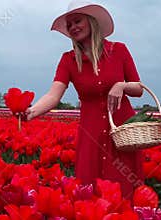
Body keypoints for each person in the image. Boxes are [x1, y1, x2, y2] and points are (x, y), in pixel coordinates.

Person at [25, 0, 144, 199]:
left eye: (77, 21)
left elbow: (138, 88)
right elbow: (54, 95)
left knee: (125, 193)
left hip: (122, 134)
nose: (73, 27)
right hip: (91, 135)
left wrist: (121, 86)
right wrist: (31, 112)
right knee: (90, 194)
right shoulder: (68, 60)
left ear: (91, 21)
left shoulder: (119, 50)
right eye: (69, 24)